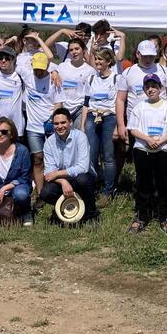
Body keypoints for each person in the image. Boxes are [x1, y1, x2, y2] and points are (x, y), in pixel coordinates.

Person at [126, 73, 167, 234]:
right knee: (143, 183)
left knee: (164, 183)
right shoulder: (139, 107)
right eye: (147, 87)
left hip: (163, 149)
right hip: (143, 149)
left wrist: (159, 141)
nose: (151, 89)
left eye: (154, 86)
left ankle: (165, 215)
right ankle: (142, 215)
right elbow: (133, 129)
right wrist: (148, 139)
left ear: (160, 88)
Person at [41, 107, 99, 224]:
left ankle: (90, 215)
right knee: (45, 193)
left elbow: (83, 167)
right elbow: (48, 173)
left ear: (71, 122)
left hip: (81, 177)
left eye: (63, 122)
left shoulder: (80, 137)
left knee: (83, 180)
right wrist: (63, 181)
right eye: (56, 123)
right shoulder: (49, 142)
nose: (60, 126)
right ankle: (62, 209)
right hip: (62, 180)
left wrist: (58, 173)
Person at [81, 47, 122, 202]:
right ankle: (92, 187)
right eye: (96, 59)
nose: (97, 62)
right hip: (92, 117)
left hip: (109, 118)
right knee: (91, 155)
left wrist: (118, 126)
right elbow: (86, 103)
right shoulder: (91, 79)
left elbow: (120, 104)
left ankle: (108, 191)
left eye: (101, 59)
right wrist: (82, 124)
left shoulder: (117, 79)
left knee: (108, 156)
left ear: (108, 61)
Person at [21, 53, 63, 194]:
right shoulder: (27, 76)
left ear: (47, 67)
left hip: (50, 125)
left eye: (42, 69)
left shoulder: (54, 80)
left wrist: (52, 119)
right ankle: (40, 193)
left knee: (54, 159)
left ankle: (54, 190)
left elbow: (58, 103)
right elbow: (10, 64)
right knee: (37, 159)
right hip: (33, 127)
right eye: (36, 69)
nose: (38, 72)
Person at [0, 45, 25, 138]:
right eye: (0, 58)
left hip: (15, 126)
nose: (3, 60)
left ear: (14, 60)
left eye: (7, 58)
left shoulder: (20, 76)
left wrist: (54, 71)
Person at [54, 38, 94, 126]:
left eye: (77, 49)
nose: (74, 52)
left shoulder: (90, 70)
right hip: (64, 108)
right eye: (71, 50)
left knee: (77, 133)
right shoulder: (62, 67)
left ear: (83, 50)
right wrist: (54, 72)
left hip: (80, 109)